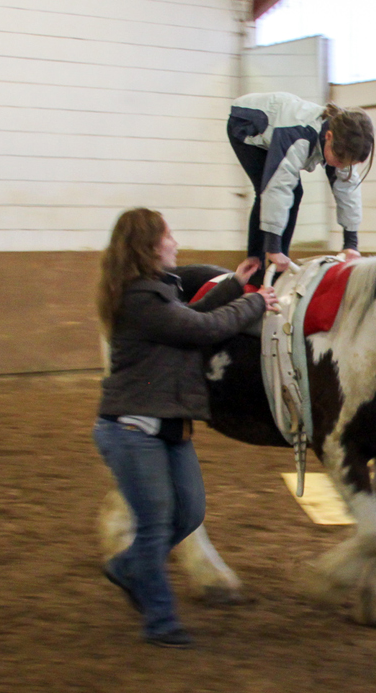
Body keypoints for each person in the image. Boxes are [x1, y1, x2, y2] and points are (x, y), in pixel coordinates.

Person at [94, 208, 279, 647]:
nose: (175, 242)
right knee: (157, 523)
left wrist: (235, 282)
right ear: (149, 247)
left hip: (168, 426)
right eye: (168, 236)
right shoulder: (139, 299)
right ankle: (160, 622)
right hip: (132, 430)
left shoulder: (158, 293)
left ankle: (126, 568)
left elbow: (190, 315)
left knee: (190, 512)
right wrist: (255, 301)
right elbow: (201, 326)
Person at [228, 92, 374, 275]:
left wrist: (350, 243)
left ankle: (279, 265)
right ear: (328, 136)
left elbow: (348, 189)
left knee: (296, 193)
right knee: (269, 190)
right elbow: (278, 186)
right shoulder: (298, 135)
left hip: (278, 125)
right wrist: (273, 248)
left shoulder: (343, 141)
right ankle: (255, 268)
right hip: (247, 123)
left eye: (348, 164)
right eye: (339, 160)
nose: (342, 166)